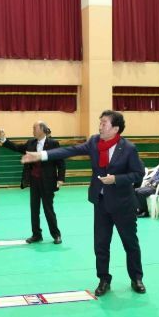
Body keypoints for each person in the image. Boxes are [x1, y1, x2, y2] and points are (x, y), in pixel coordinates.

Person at [21, 110, 145, 296]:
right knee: (101, 244)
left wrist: (116, 179)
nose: (100, 126)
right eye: (100, 122)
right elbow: (70, 150)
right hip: (101, 203)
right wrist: (42, 155)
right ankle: (104, 279)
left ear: (115, 128)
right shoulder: (94, 142)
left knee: (130, 243)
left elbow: (138, 173)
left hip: (123, 204)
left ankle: (136, 278)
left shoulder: (128, 148)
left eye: (104, 123)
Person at [0, 121, 65, 244]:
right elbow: (17, 148)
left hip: (48, 182)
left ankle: (56, 235)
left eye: (34, 128)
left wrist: (60, 178)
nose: (33, 130)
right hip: (34, 181)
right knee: (34, 209)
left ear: (42, 130)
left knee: (48, 209)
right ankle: (36, 235)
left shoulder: (53, 143)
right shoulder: (31, 143)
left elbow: (60, 162)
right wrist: (4, 140)